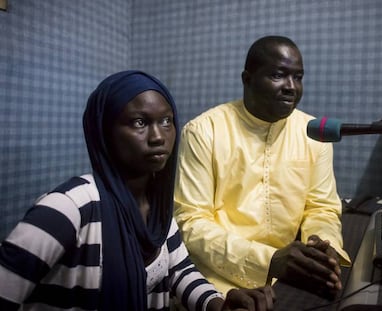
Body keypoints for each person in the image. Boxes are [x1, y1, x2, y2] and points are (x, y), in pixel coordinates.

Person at [0, 70, 275, 311]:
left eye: (166, 121)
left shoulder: (160, 212)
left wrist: (219, 303)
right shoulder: (69, 207)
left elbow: (180, 272)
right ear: (105, 133)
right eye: (139, 123)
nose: (158, 137)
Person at [174, 36, 351, 298]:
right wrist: (269, 260)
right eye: (279, 75)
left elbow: (321, 207)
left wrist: (322, 247)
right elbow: (192, 223)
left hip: (292, 273)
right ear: (247, 79)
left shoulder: (313, 133)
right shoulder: (203, 132)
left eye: (298, 77)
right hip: (219, 279)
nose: (291, 87)